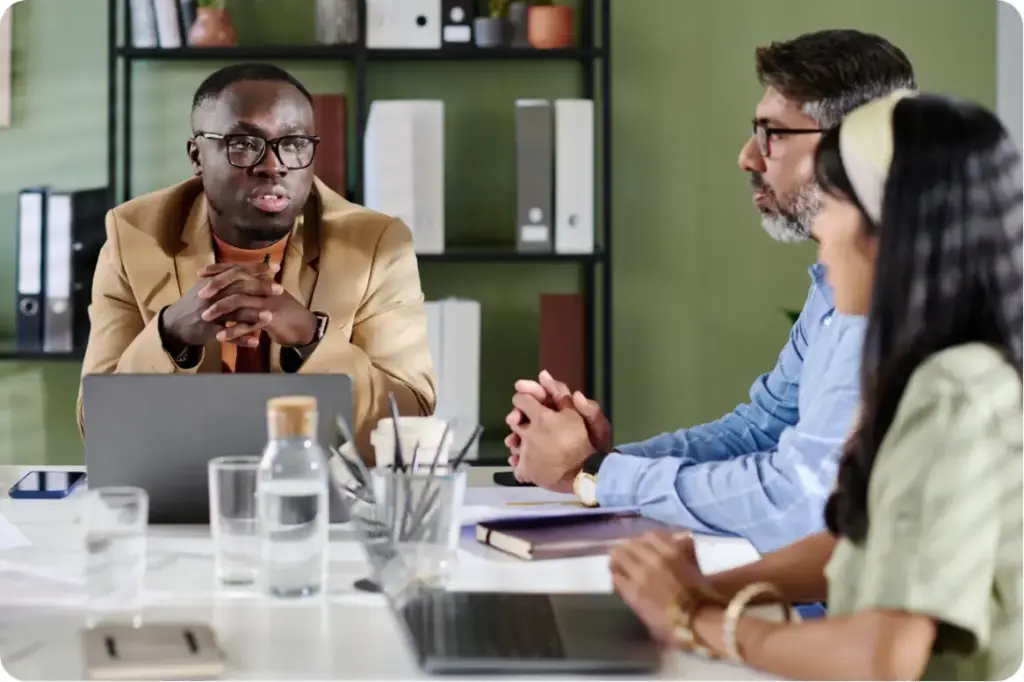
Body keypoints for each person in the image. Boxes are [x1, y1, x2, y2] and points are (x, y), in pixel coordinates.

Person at [608, 90, 1023, 680]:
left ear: (891, 227)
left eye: (831, 203)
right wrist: (695, 590)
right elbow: (855, 551)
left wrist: (691, 617)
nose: (820, 229)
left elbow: (882, 659)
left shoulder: (950, 393)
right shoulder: (949, 368)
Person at [505, 29, 918, 552]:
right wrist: (594, 461)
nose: (747, 157)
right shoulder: (836, 285)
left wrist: (594, 473)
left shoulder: (887, 298)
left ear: (849, 145)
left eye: (772, 134)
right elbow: (761, 430)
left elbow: (797, 502)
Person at [77, 64, 436, 459]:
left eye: (295, 143)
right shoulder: (133, 237)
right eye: (245, 143)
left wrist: (311, 337)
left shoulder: (376, 245)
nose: (273, 164)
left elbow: (410, 426)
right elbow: (100, 427)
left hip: (320, 487)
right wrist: (170, 333)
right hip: (183, 485)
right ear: (197, 156)